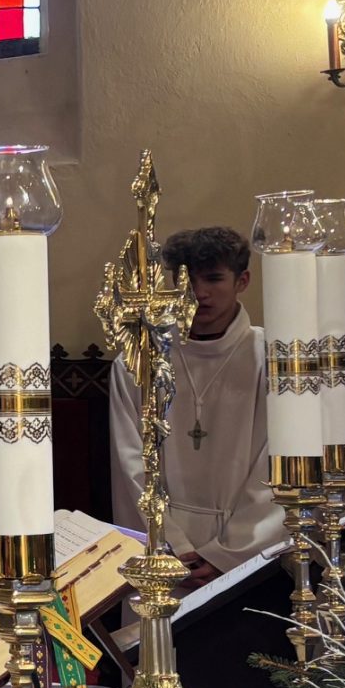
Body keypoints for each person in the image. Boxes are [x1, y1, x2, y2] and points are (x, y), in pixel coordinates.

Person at [111, 225, 281, 580]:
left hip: (250, 552)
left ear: (242, 281)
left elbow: (276, 463)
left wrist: (229, 553)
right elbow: (131, 464)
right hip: (163, 552)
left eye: (214, 279)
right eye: (186, 280)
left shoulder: (271, 359)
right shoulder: (139, 360)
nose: (198, 293)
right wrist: (171, 545)